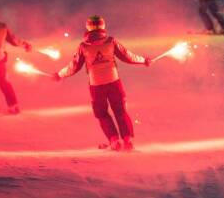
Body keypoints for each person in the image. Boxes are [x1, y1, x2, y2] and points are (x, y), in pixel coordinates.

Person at [53, 15, 153, 151]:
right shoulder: (111, 42)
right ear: (103, 26)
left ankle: (114, 141)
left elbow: (74, 66)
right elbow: (127, 56)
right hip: (114, 82)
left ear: (88, 27)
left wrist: (60, 74)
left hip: (96, 86)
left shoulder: (83, 47)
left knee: (102, 114)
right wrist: (143, 60)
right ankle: (127, 140)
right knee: (120, 111)